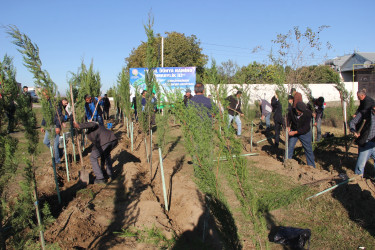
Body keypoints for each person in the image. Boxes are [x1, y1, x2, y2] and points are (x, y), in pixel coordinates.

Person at [41, 95, 69, 164]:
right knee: (46, 142)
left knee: (55, 145)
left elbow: (58, 116)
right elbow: (45, 116)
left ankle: (57, 161)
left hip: (55, 126)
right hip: (49, 125)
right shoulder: (46, 104)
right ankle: (60, 152)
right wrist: (43, 125)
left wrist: (58, 126)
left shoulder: (55, 103)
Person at [287, 101, 316, 168]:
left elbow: (305, 128)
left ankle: (311, 166)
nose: (301, 113)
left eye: (302, 111)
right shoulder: (291, 111)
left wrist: (295, 132)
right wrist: (288, 126)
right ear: (296, 109)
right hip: (294, 130)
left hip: (305, 133)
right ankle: (287, 162)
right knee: (290, 147)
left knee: (308, 149)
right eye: (300, 111)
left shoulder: (307, 113)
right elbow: (288, 119)